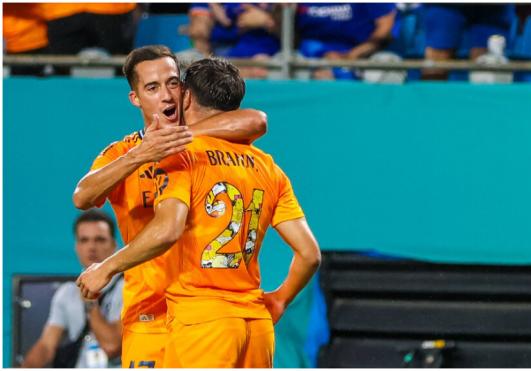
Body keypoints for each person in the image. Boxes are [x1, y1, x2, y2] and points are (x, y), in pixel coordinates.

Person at [76, 58, 321, 367]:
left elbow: (168, 229)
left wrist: (106, 268)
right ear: (135, 98)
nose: (166, 95)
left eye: (173, 83)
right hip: (167, 318)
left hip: (197, 316)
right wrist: (141, 155)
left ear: (186, 95)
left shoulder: (184, 153)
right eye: (153, 87)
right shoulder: (267, 166)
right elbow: (82, 196)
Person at [21, 210, 124, 368]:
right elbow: (46, 346)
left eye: (100, 240)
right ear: (77, 247)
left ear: (114, 245)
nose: (91, 247)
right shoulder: (67, 292)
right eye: (84, 240)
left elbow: (112, 346)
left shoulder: (129, 287)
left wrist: (90, 302)